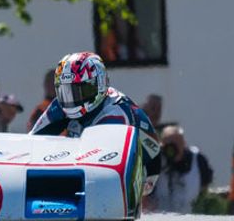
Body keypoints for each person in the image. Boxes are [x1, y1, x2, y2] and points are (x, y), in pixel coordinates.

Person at [29, 51, 161, 194]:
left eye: (81, 90)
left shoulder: (115, 114)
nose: (72, 98)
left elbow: (99, 171)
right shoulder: (61, 105)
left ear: (100, 84)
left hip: (145, 169)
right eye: (66, 91)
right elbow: (32, 141)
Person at [146, 125, 213, 214]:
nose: (173, 149)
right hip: (160, 216)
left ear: (183, 143)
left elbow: (205, 186)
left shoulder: (197, 160)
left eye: (176, 143)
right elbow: (145, 190)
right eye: (169, 144)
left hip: (190, 216)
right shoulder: (155, 161)